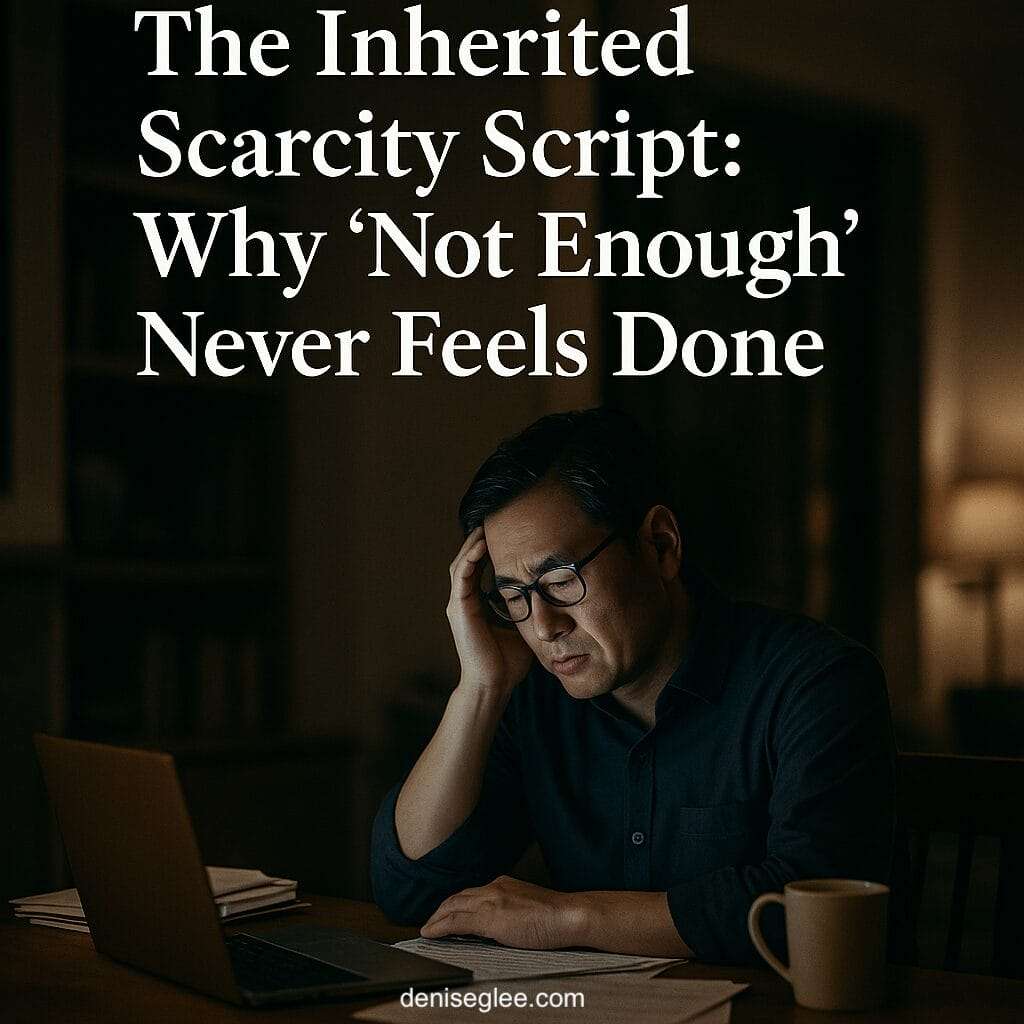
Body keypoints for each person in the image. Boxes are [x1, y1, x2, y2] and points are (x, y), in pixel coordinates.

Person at [370, 408, 898, 963]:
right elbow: (412, 890)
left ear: (660, 545)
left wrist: (568, 916)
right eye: (515, 596)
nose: (544, 626)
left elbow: (814, 911)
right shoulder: (535, 698)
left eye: (560, 580)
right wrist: (479, 688)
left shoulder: (816, 681)